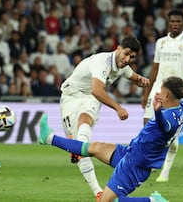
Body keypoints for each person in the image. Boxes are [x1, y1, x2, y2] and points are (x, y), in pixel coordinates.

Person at [39, 53, 183, 202]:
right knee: (93, 147)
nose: (158, 93)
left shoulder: (168, 116)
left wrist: (157, 112)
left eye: (160, 90)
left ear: (167, 94)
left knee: (108, 200)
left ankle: (152, 201)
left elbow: (165, 127)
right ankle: (48, 138)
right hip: (133, 152)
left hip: (136, 164)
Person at [59, 35, 149, 201]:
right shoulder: (103, 62)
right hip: (71, 96)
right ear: (118, 48)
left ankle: (97, 190)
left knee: (85, 120)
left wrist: (142, 81)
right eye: (126, 54)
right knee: (81, 137)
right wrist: (118, 108)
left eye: (132, 57)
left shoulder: (122, 66)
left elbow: (135, 77)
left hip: (90, 98)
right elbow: (97, 90)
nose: (128, 59)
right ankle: (80, 151)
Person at [141, 9, 183, 183]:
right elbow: (154, 69)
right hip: (159, 88)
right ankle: (149, 162)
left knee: (171, 134)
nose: (175, 24)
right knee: (147, 124)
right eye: (172, 21)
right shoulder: (161, 43)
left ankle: (164, 172)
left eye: (178, 21)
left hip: (176, 91)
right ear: (168, 22)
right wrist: (147, 92)